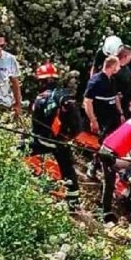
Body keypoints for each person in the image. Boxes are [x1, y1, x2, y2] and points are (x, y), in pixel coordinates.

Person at [30, 61, 82, 207]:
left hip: (41, 141)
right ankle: (74, 201)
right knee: (68, 170)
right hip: (61, 143)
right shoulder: (65, 97)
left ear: (43, 81)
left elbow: (36, 126)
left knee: (17, 151)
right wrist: (68, 138)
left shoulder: (40, 99)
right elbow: (77, 125)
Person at [83, 55, 124, 138]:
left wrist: (121, 113)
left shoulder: (112, 79)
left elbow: (115, 97)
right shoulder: (96, 81)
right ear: (113, 66)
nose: (119, 68)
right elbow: (87, 102)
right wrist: (93, 121)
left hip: (112, 117)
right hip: (101, 118)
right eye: (118, 66)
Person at [115, 45, 131, 118]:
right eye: (130, 55)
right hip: (117, 107)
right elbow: (114, 93)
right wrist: (120, 112)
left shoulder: (126, 67)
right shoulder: (115, 70)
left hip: (126, 102)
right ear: (125, 56)